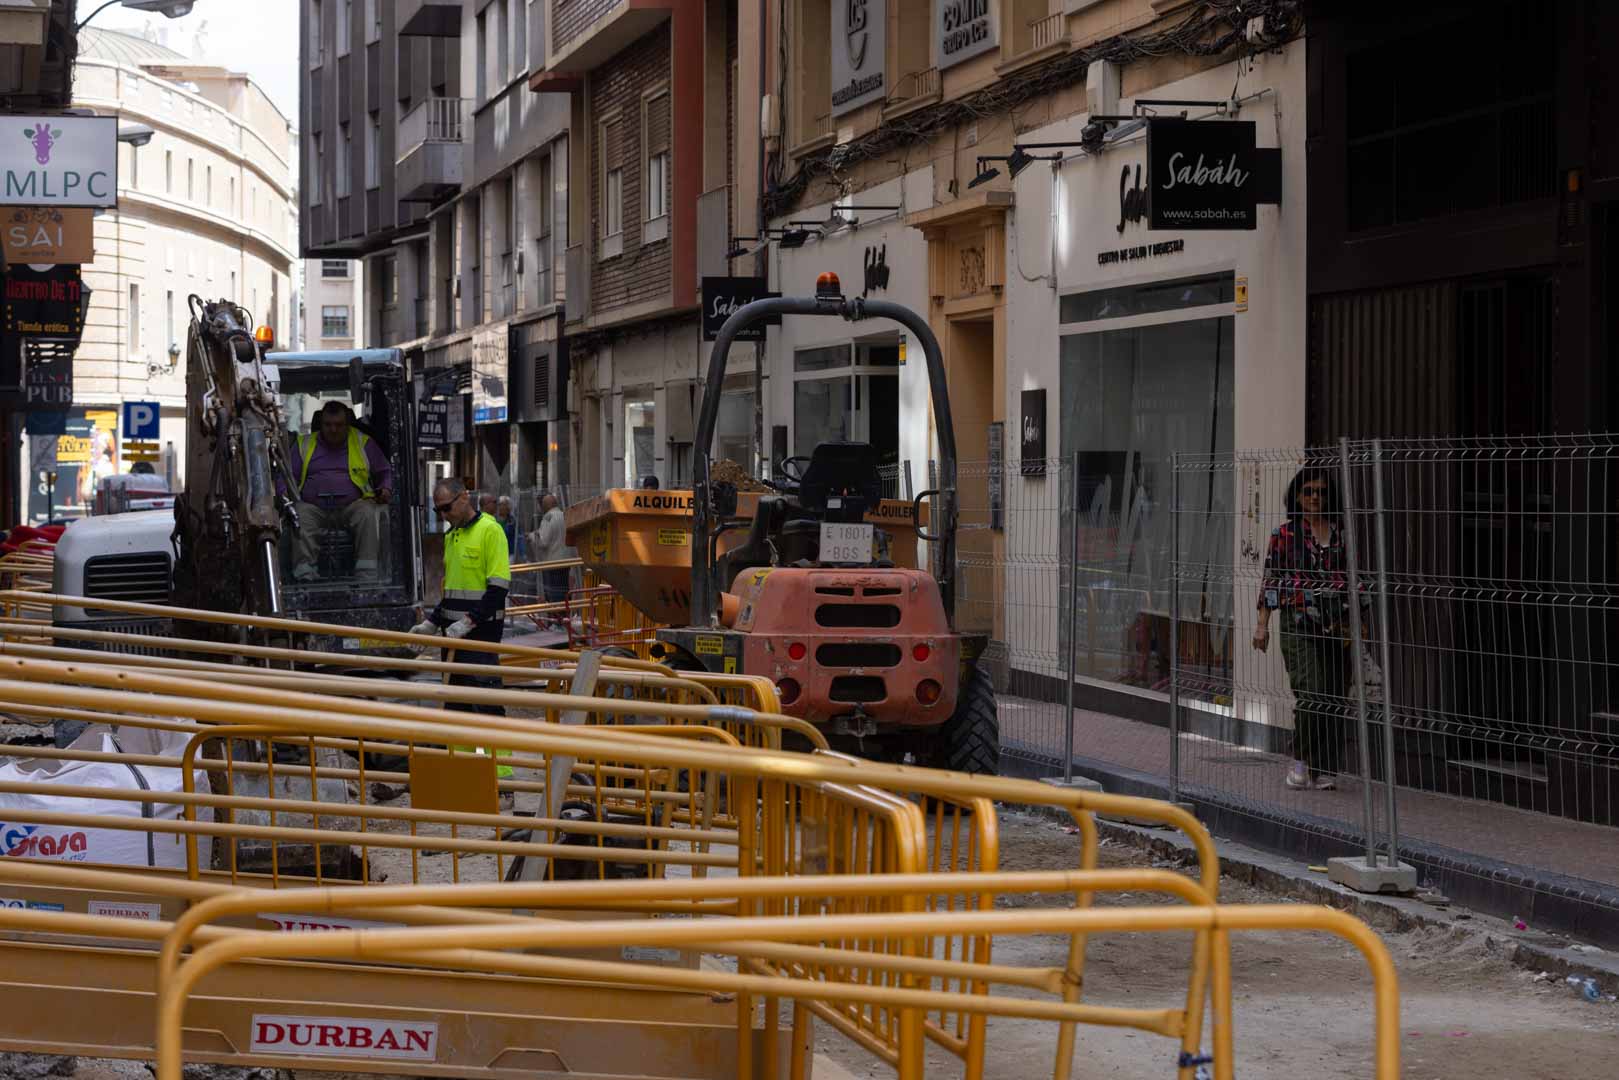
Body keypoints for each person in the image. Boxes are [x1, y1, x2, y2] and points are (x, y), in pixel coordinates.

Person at [1253, 467, 1354, 791]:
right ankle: (1300, 758)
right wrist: (1262, 626)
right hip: (1299, 623)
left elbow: (1353, 582)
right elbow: (1271, 580)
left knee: (1334, 696)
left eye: (1321, 492)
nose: (1314, 497)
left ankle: (1322, 768)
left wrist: (1359, 625)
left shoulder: (1340, 535)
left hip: (1337, 625)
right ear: (1297, 495)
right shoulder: (1284, 535)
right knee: (1310, 693)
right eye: (1308, 491)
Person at [412, 477, 511, 716]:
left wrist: (469, 622)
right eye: (439, 510)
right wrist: (432, 623)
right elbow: (452, 592)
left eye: (447, 507)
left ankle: (498, 755)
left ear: (464, 497)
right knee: (456, 712)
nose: (444, 515)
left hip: (480, 639)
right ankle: (459, 755)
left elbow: (498, 589)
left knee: (488, 711)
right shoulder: (451, 536)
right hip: (452, 638)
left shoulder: (490, 531)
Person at [291, 401, 392, 580]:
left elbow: (384, 471)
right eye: (328, 425)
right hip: (314, 509)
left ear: (347, 425)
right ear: (320, 424)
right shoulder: (303, 444)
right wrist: (285, 496)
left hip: (352, 506)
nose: (333, 430)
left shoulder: (363, 442)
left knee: (368, 513)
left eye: (338, 425)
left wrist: (385, 488)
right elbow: (287, 475)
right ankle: (304, 576)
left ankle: (367, 576)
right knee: (298, 515)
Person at [527, 492, 573, 605]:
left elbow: (543, 541)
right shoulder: (564, 515)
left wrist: (532, 536)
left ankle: (556, 619)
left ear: (545, 506)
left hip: (552, 562)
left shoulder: (548, 518)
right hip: (566, 560)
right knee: (563, 592)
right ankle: (563, 617)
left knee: (554, 594)